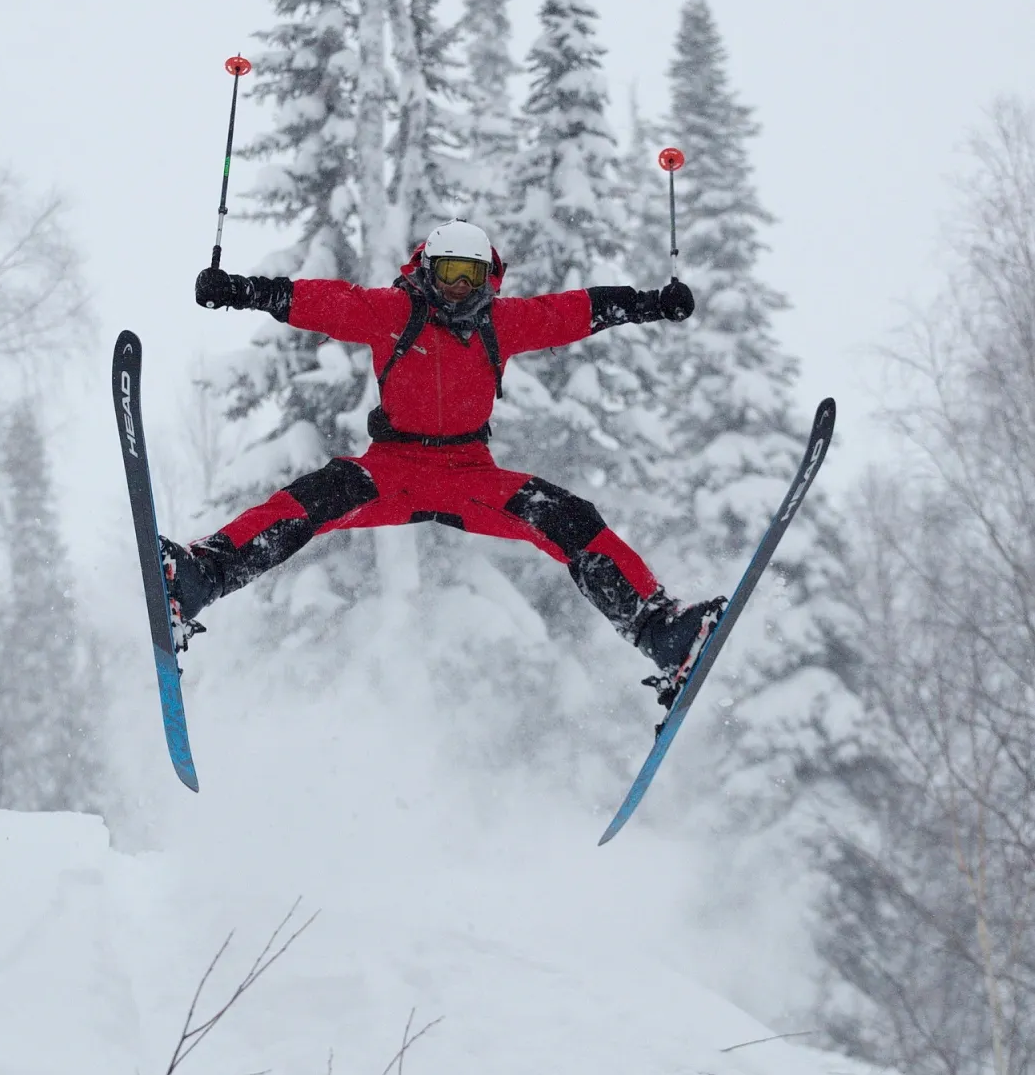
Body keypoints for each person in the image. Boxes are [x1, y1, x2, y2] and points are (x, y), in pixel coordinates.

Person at [162, 219, 726, 709]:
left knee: (569, 517)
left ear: (489, 279)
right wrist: (241, 290)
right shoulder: (392, 312)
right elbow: (319, 301)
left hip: (471, 476)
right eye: (450, 273)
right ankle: (195, 579)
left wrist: (654, 303)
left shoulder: (499, 324)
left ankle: (664, 632)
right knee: (309, 502)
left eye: (471, 277)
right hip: (391, 469)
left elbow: (574, 312)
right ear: (427, 271)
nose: (459, 289)